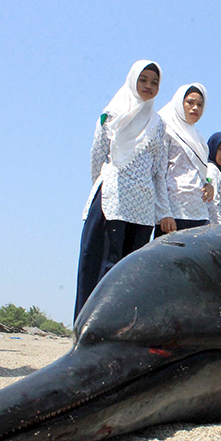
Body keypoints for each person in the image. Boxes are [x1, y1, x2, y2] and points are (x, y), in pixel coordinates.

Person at [75, 60, 171, 320]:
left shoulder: (159, 124)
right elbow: (97, 159)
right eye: (144, 80)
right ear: (132, 80)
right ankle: (90, 330)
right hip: (112, 202)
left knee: (132, 276)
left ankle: (120, 335)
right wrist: (107, 188)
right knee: (103, 267)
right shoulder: (111, 115)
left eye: (155, 82)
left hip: (142, 209)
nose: (149, 86)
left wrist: (164, 210)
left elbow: (159, 172)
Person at [154, 83, 214, 238]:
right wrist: (164, 213)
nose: (195, 108)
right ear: (180, 103)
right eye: (190, 102)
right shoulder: (166, 130)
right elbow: (159, 174)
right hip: (174, 211)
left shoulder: (200, 140)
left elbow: (199, 172)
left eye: (200, 105)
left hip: (199, 213)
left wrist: (208, 184)